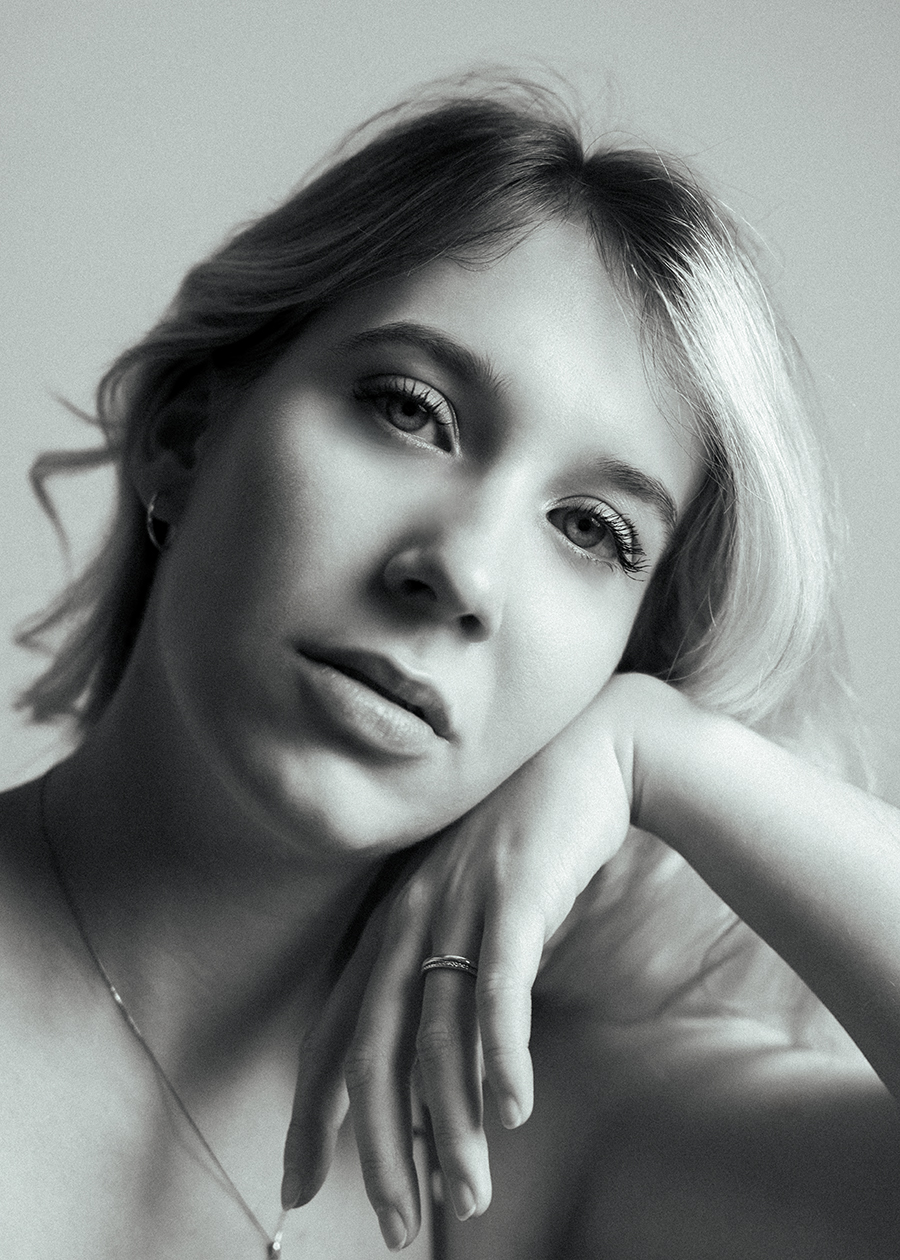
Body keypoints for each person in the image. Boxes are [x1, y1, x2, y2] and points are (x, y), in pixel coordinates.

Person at [3, 76, 899, 1259]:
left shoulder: (575, 1140)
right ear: (187, 435)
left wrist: (667, 752)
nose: (462, 573)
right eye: (411, 410)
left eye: (591, 529)